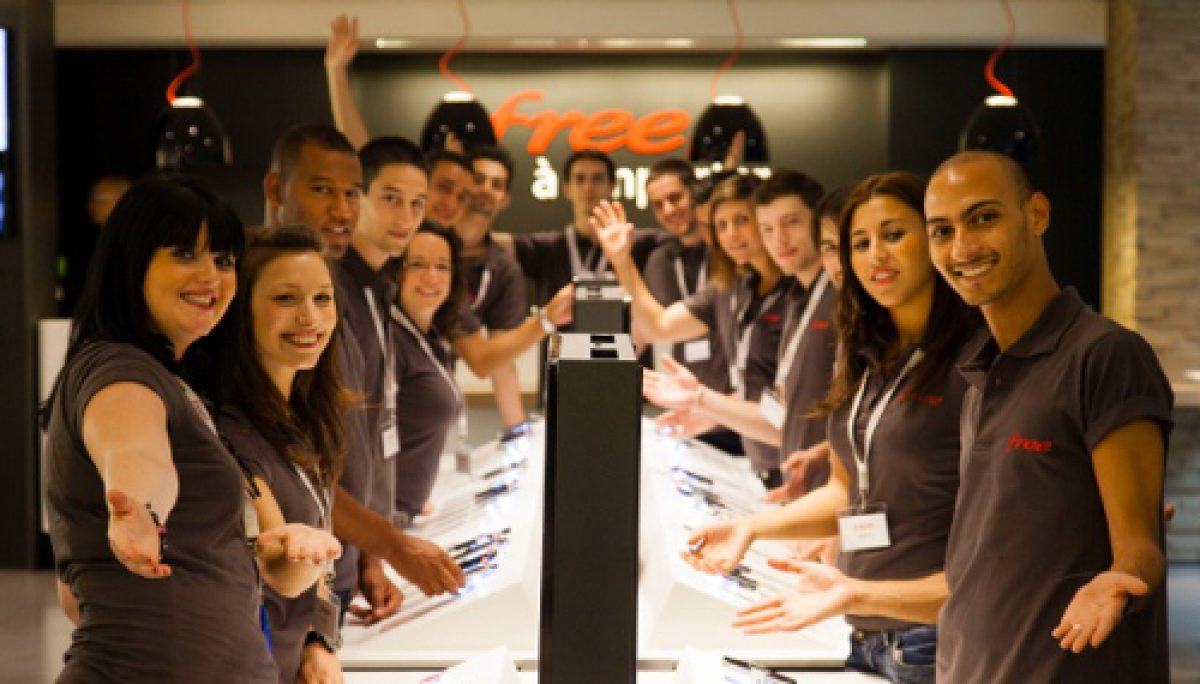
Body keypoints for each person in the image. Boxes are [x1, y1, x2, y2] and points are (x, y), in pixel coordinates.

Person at [42, 174, 339, 683]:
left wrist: (292, 547)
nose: (210, 276)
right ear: (133, 262)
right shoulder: (118, 369)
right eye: (184, 254)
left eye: (223, 260)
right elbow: (135, 449)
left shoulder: (179, 382)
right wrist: (141, 508)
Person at [688, 172, 980, 684]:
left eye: (894, 235)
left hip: (937, 636)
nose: (875, 256)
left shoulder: (974, 359)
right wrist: (751, 528)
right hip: (866, 633)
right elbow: (845, 491)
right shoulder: (867, 352)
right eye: (858, 244)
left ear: (935, 238)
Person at [925, 151, 1173, 683]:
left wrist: (1117, 584)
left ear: (1036, 214)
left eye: (983, 218)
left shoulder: (1104, 356)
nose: (962, 248)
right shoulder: (980, 375)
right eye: (942, 231)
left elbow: (1140, 549)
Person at [264, 124, 466, 628]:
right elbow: (288, 460)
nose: (341, 209)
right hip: (290, 563)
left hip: (342, 551)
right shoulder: (308, 295)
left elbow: (361, 429)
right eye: (322, 190)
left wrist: (372, 556)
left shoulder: (373, 291)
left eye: (350, 193)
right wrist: (390, 545)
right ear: (277, 191)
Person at [647, 170, 834, 500]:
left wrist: (702, 400)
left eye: (791, 222)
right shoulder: (793, 297)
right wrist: (705, 408)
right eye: (768, 228)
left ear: (819, 223)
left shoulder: (832, 297)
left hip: (827, 488)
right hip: (789, 476)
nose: (779, 239)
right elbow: (780, 415)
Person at [218, 225, 352, 684]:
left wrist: (319, 639)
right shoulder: (228, 430)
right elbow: (281, 562)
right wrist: (305, 550)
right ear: (242, 310)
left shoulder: (302, 416)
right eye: (285, 298)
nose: (309, 317)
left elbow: (314, 559)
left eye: (322, 298)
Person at [594, 174, 789, 484]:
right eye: (721, 225)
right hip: (762, 460)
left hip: (797, 459)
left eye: (742, 220)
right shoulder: (732, 286)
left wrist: (702, 401)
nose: (730, 234)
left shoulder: (795, 291)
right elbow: (659, 326)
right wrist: (622, 261)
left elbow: (789, 411)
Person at [388, 223, 472, 520]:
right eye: (418, 264)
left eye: (442, 266)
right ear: (397, 271)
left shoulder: (432, 338)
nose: (431, 277)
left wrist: (417, 499)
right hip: (384, 521)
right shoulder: (387, 341)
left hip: (409, 513)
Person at [460, 145, 536, 433]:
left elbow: (500, 360)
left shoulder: (503, 268)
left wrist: (517, 432)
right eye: (478, 179)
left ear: (504, 200)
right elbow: (480, 361)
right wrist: (547, 321)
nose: (486, 190)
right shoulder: (428, 247)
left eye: (497, 184)